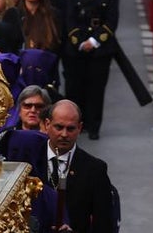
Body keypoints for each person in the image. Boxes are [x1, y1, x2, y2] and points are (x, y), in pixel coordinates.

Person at [61, 0, 119, 140]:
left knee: (96, 88)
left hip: (99, 48)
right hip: (76, 46)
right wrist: (78, 41)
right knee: (75, 86)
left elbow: (111, 21)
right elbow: (69, 18)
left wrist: (94, 41)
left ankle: (94, 126)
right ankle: (75, 123)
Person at [42, 99, 114, 233]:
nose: (64, 134)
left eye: (70, 128)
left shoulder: (95, 170)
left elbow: (104, 224)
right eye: (59, 127)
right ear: (47, 124)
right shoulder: (29, 160)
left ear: (80, 128)